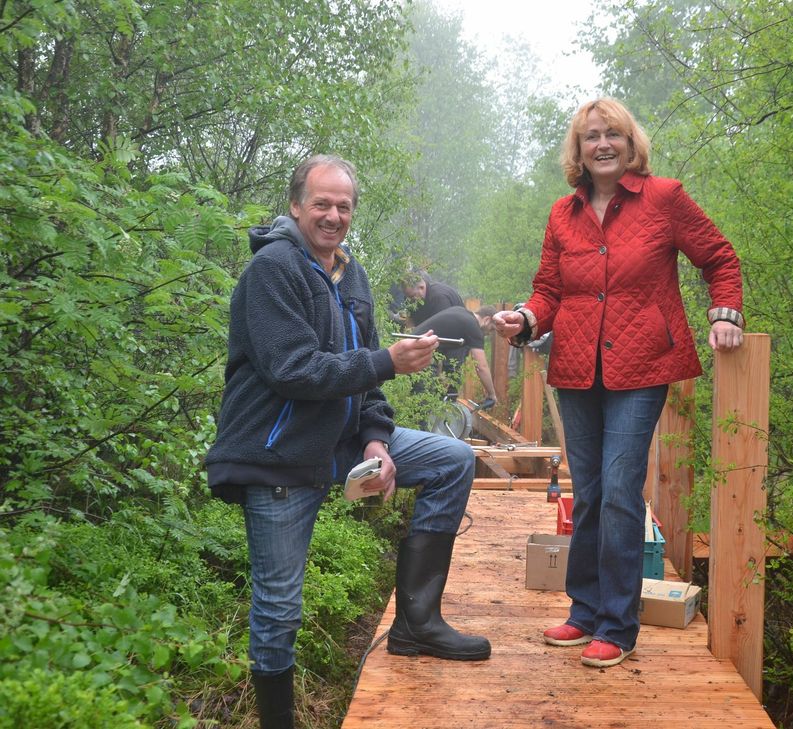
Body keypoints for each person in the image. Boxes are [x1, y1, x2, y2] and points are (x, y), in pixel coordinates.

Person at [205, 155, 490, 729]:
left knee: (453, 459)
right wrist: (386, 361)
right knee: (279, 605)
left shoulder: (350, 274)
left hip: (341, 441)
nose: (333, 216)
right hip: (278, 453)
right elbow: (293, 370)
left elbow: (367, 383)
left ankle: (416, 625)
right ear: (296, 206)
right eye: (322, 204)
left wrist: (377, 440)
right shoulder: (271, 271)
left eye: (344, 206)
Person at [493, 98, 744, 669]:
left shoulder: (664, 198)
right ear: (578, 151)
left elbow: (719, 257)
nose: (602, 144)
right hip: (577, 367)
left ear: (632, 145)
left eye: (613, 135)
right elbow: (548, 291)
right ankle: (584, 611)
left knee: (618, 489)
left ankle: (617, 625)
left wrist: (725, 312)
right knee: (588, 492)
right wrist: (525, 318)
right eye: (591, 137)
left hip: (642, 365)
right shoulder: (563, 214)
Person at [410, 304, 499, 409]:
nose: (489, 333)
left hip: (410, 346)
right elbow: (481, 367)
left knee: (425, 398)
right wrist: (491, 394)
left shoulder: (461, 312)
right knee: (423, 403)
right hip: (418, 351)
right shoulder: (473, 326)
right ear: (487, 320)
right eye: (492, 329)